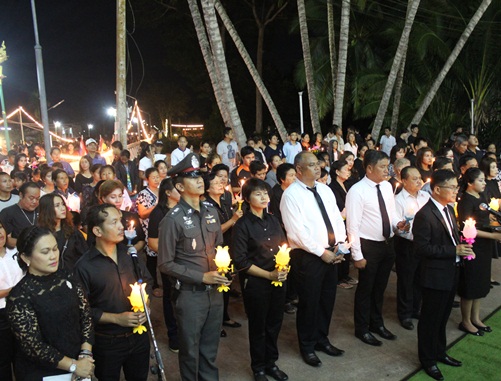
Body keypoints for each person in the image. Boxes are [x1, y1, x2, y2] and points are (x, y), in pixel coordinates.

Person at [157, 153, 229, 381]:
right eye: (192, 177)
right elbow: (165, 264)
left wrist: (223, 269)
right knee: (190, 352)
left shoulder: (211, 212)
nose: (200, 180)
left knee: (209, 351)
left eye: (200, 175)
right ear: (179, 185)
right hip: (190, 296)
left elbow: (219, 247)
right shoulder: (172, 219)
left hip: (215, 293)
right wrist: (202, 277)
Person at [280, 151, 347, 367]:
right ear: (299, 169)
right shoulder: (291, 195)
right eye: (311, 165)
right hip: (308, 257)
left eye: (318, 163)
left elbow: (336, 218)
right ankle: (307, 346)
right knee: (309, 303)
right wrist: (322, 252)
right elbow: (296, 233)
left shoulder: (325, 190)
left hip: (331, 252)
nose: (317, 167)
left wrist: (340, 245)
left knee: (327, 300)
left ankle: (322, 339)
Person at [74, 204, 152, 381]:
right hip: (107, 342)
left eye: (121, 221)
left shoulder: (130, 254)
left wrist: (146, 304)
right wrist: (117, 318)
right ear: (97, 230)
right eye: (114, 222)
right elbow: (82, 311)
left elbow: (146, 281)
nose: (121, 227)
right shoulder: (84, 267)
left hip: (138, 336)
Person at [7, 226, 95, 381]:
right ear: (26, 258)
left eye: (55, 249)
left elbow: (86, 315)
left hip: (80, 363)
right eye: (45, 252)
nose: (53, 256)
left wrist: (85, 354)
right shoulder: (20, 296)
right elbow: (34, 346)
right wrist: (73, 365)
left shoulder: (67, 276)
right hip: (44, 373)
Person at [413, 170, 475, 380]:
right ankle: (427, 359)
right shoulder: (424, 215)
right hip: (434, 276)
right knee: (430, 319)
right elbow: (421, 249)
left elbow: (451, 238)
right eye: (452, 187)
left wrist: (464, 247)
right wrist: (453, 251)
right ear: (437, 189)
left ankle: (440, 351)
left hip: (451, 272)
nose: (456, 191)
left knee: (442, 317)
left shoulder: (448, 210)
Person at [346, 150, 408, 346]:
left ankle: (377, 323)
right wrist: (357, 255)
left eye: (388, 166)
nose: (387, 170)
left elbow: (390, 213)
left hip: (387, 243)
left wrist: (398, 224)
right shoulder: (357, 190)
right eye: (382, 166)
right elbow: (352, 225)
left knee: (380, 287)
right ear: (369, 168)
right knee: (366, 288)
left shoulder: (388, 187)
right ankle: (362, 328)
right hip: (368, 245)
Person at [231, 179, 288, 381]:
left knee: (274, 323)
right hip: (256, 283)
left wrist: (283, 267)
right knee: (258, 326)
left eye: (265, 193)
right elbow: (240, 261)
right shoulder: (242, 225)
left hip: (278, 279)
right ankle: (259, 368)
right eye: (258, 194)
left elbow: (283, 246)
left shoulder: (272, 220)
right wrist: (269, 275)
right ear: (247, 198)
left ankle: (271, 363)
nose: (264, 197)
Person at [457, 168, 500, 335]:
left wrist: (495, 229)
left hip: (484, 245)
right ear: (470, 183)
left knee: (481, 282)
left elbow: (486, 217)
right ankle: (466, 321)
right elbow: (467, 228)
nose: (484, 183)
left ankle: (475, 318)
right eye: (480, 180)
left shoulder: (481, 197)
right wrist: (493, 235)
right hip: (471, 245)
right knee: (471, 283)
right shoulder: (466, 201)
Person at [204, 172, 243, 337]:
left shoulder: (225, 201)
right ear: (207, 188)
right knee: (216, 287)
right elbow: (214, 231)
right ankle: (214, 323)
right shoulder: (206, 205)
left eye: (222, 181)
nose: (221, 183)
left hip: (229, 246)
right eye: (216, 182)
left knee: (227, 282)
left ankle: (224, 316)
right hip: (215, 250)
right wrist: (233, 219)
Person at [394, 166, 430, 330]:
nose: (419, 181)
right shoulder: (398, 200)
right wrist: (403, 228)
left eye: (419, 178)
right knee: (406, 280)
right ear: (404, 180)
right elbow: (397, 225)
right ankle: (405, 313)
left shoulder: (425, 196)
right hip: (407, 244)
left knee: (420, 278)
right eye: (414, 178)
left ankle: (417, 308)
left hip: (424, 244)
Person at [147, 178, 181, 352]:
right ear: (168, 193)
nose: (182, 190)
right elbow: (152, 242)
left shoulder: (185, 209)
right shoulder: (159, 212)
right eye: (178, 188)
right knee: (171, 296)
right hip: (170, 263)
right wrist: (171, 255)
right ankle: (173, 335)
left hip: (187, 262)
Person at [37, 194, 88, 272]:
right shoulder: (39, 233)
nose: (63, 208)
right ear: (47, 209)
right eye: (57, 205)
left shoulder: (73, 232)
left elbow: (84, 256)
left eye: (63, 204)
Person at [0, 221, 24, 381]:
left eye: (0, 227)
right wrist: (13, 290)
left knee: (22, 356)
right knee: (3, 359)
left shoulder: (15, 252)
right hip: (2, 315)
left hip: (22, 309)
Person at [329, 160, 357, 289]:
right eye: (345, 169)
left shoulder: (346, 184)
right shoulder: (332, 187)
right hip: (340, 221)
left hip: (348, 221)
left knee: (348, 248)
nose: (348, 171)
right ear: (337, 171)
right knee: (341, 248)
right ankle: (339, 278)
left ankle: (345, 275)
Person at [98, 180, 145, 253]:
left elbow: (141, 240)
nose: (118, 200)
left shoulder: (130, 216)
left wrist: (133, 249)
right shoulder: (99, 219)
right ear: (104, 198)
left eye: (120, 196)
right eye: (113, 197)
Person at [0, 182, 40, 248]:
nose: (35, 202)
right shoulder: (8, 213)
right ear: (21, 195)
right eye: (31, 198)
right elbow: (7, 239)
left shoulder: (41, 209)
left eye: (37, 198)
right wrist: (30, 244)